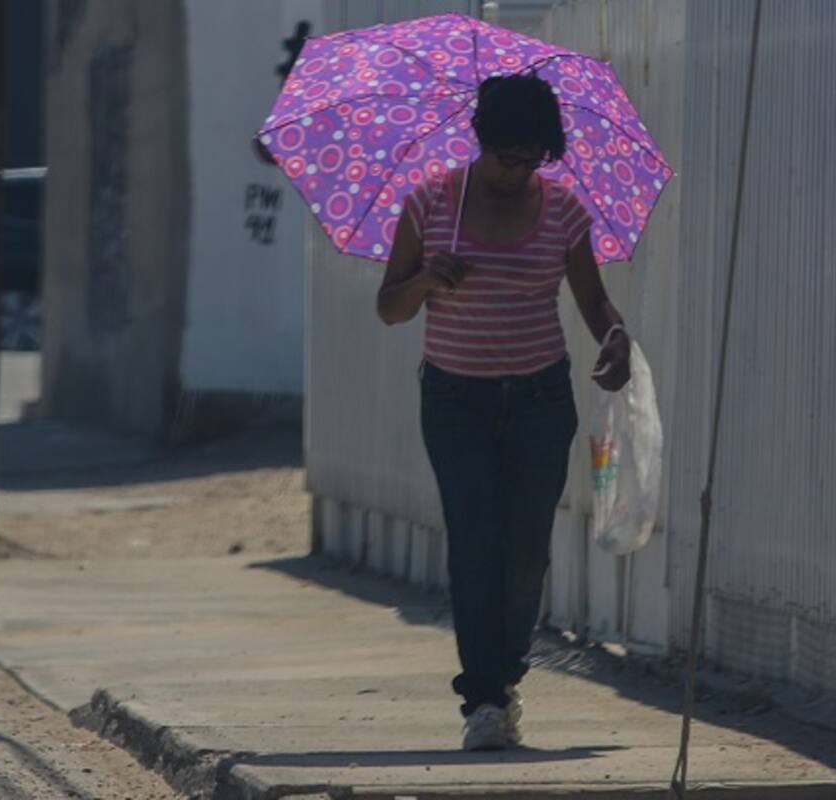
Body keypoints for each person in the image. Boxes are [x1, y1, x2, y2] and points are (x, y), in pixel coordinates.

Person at [376, 73, 632, 751]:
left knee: (524, 553)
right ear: (480, 140)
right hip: (455, 401)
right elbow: (389, 307)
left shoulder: (562, 209)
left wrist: (614, 336)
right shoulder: (431, 203)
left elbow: (592, 299)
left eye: (531, 160)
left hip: (541, 400)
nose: (517, 172)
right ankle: (484, 699)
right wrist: (427, 278)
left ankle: (506, 673)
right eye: (506, 157)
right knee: (475, 544)